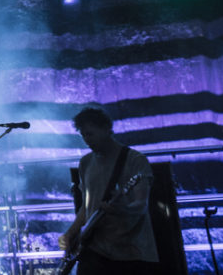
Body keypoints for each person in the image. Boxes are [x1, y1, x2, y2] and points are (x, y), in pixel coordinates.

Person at [59, 107, 159, 275]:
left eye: (90, 134)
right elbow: (86, 208)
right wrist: (69, 234)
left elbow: (141, 205)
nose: (87, 140)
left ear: (106, 128)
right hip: (94, 250)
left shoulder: (135, 160)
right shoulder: (85, 163)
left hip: (130, 252)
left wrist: (122, 209)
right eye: (83, 135)